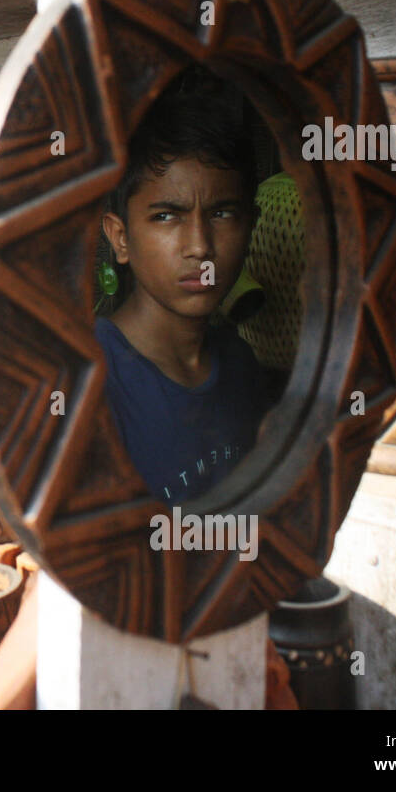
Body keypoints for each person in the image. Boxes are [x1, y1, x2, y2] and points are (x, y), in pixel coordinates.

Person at [96, 74, 268, 505]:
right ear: (121, 238)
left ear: (252, 224)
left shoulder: (240, 363)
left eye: (223, 213)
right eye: (167, 216)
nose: (200, 247)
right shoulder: (92, 381)